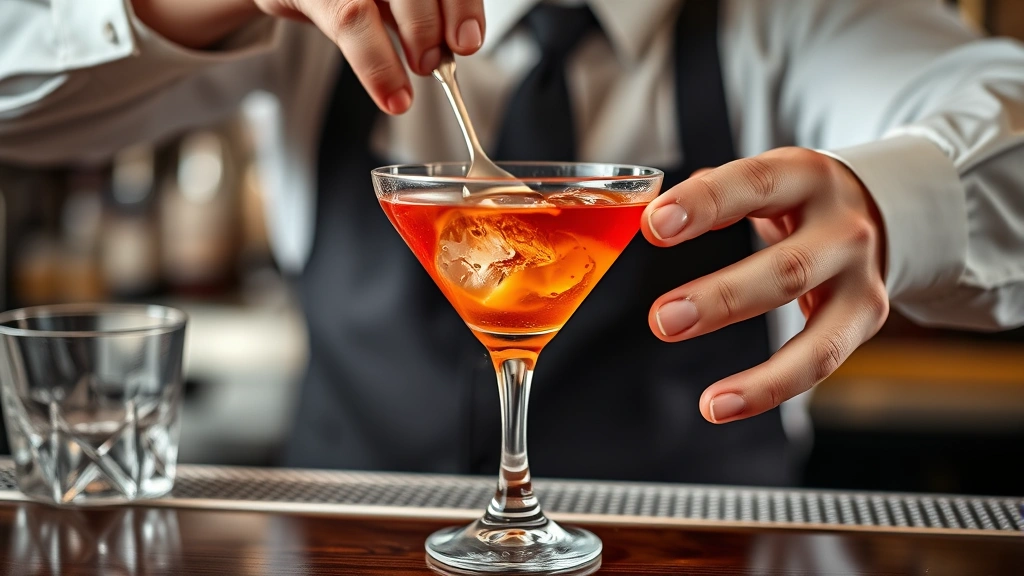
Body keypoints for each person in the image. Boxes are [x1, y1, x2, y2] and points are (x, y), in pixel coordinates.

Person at [1, 0, 1022, 486]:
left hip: (707, 554)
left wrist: (892, 198)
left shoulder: (793, 15)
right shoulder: (304, 24)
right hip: (344, 549)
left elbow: (994, 103)